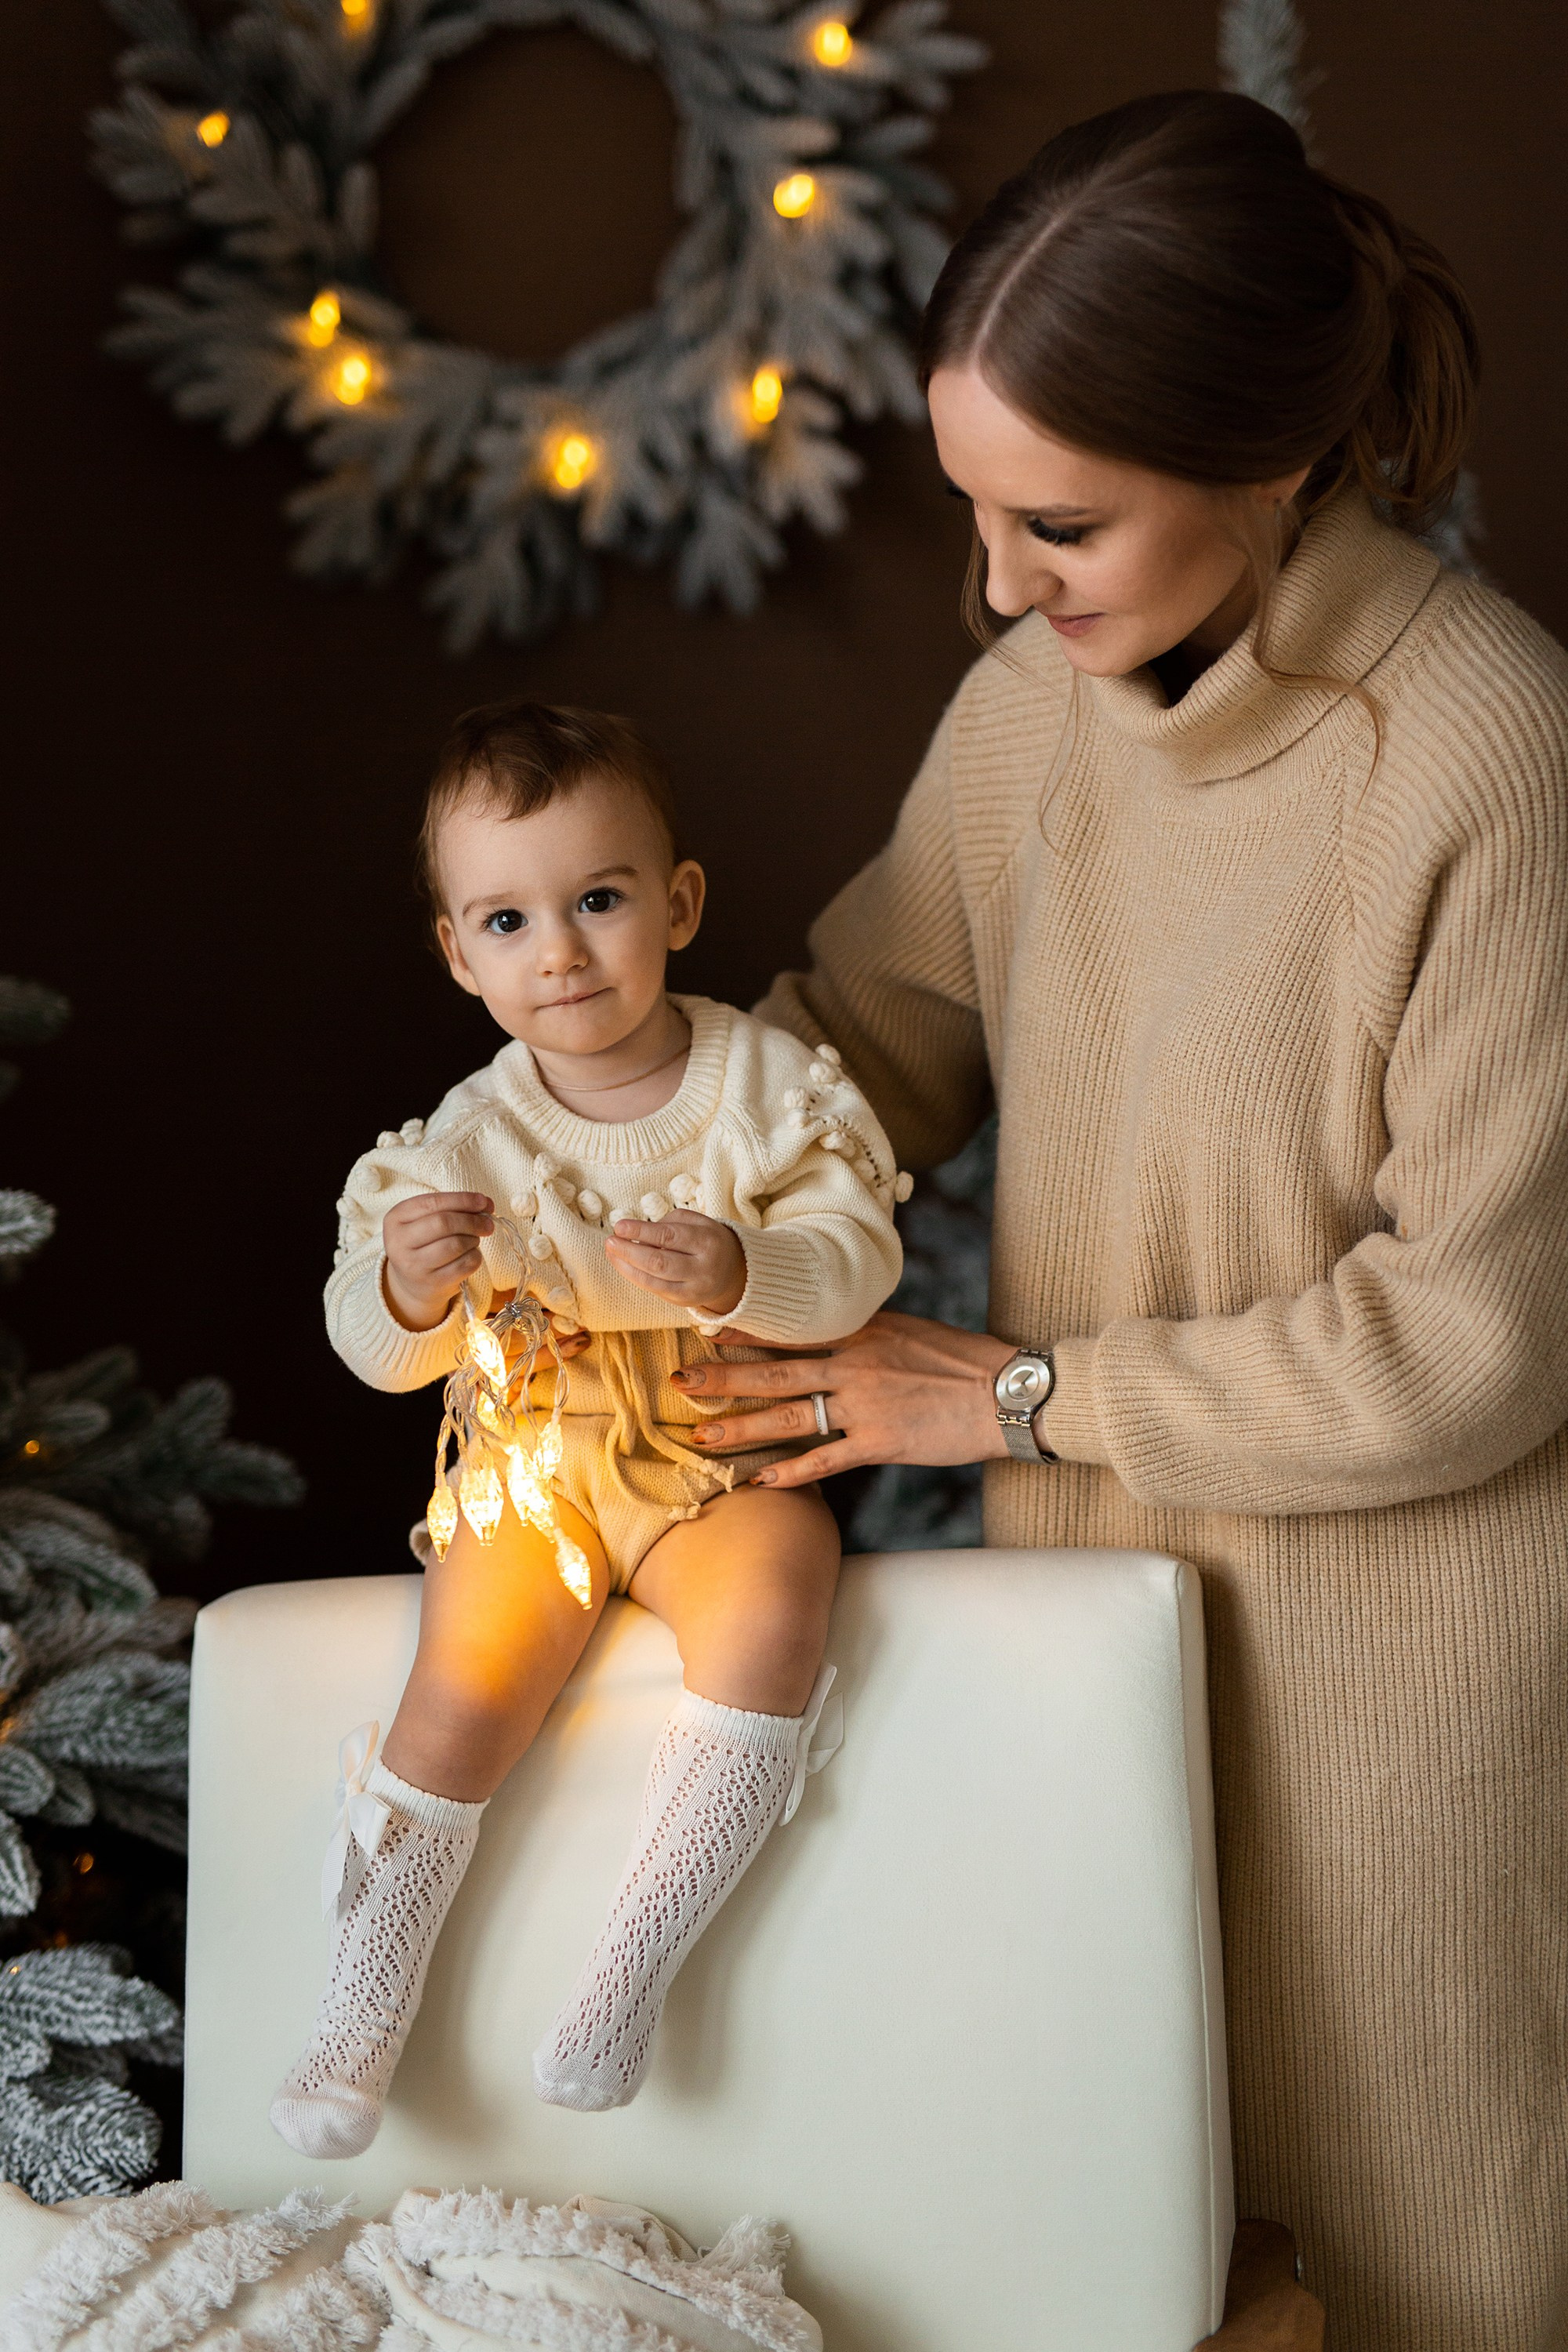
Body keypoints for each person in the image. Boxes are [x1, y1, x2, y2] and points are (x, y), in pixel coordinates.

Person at [683, 91, 1568, 2352]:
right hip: (1091, 1679)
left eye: (1058, 521)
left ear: (1274, 459)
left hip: (1414, 1735)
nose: (996, 583)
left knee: (1411, 2285)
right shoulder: (1023, 723)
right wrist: (609, 1162)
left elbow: (1473, 1344)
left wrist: (1016, 1395)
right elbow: (847, 1061)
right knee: (1121, 2255)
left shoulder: (1494, 756)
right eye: (972, 510)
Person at [270, 700, 904, 2158]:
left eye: (598, 901)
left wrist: (753, 1271)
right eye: (506, 919)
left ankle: (627, 1975)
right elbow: (371, 1349)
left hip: (711, 1450)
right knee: (468, 1681)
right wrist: (406, 1286)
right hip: (536, 1464)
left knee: (780, 1587)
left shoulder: (765, 1090)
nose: (557, 951)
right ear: (456, 950)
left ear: (677, 906)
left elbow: (858, 1254)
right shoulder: (460, 1144)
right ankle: (358, 2011)